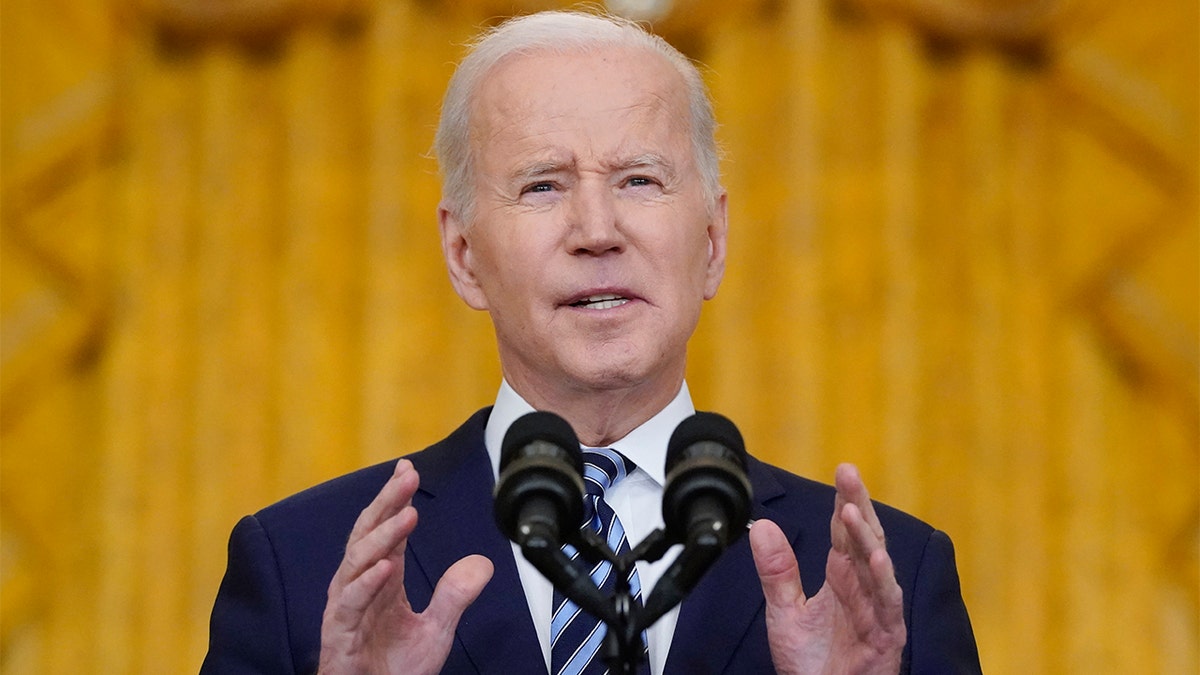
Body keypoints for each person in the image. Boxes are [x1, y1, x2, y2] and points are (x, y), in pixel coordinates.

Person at [201, 10, 981, 674]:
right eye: (543, 184)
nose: (597, 231)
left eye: (639, 179)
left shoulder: (887, 583)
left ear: (711, 241)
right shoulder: (301, 567)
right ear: (464, 254)